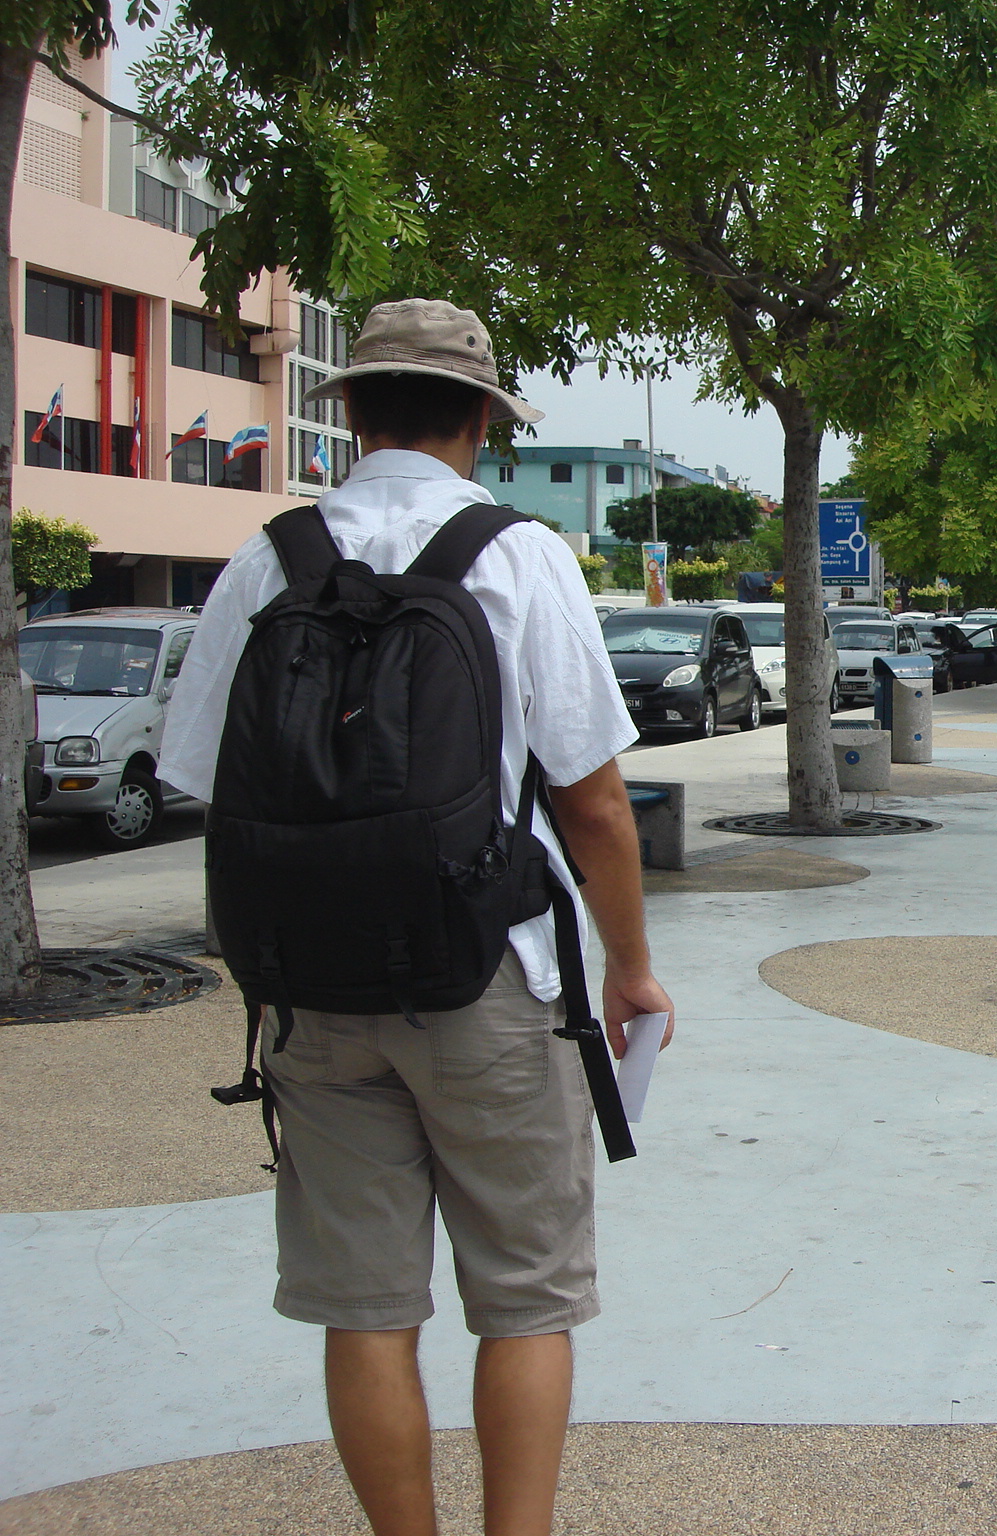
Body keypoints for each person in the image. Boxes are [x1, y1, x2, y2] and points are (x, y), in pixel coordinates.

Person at [160, 298, 674, 1536]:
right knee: (526, 1301)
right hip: (491, 974)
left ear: (350, 411)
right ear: (482, 422)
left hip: (311, 987)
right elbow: (594, 803)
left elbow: (201, 775)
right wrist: (629, 968)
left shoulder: (265, 560)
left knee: (366, 1311)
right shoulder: (518, 554)